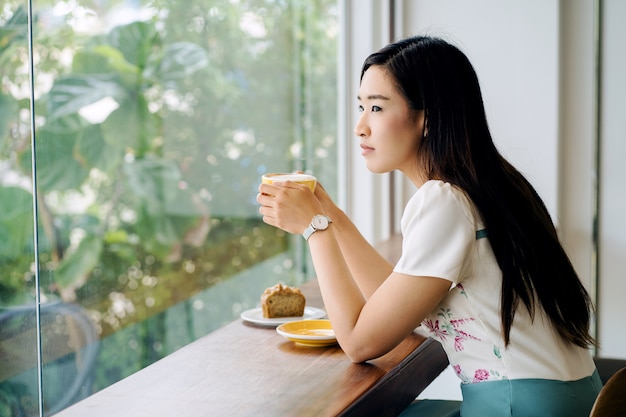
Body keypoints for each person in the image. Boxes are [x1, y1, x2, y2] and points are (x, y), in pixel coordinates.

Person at [257, 35, 601, 417]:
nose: (360, 127)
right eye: (361, 107)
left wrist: (314, 229)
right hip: (571, 399)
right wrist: (331, 215)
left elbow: (358, 342)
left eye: (376, 107)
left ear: (427, 117)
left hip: (517, 407)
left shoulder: (443, 200)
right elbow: (394, 304)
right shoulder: (496, 184)